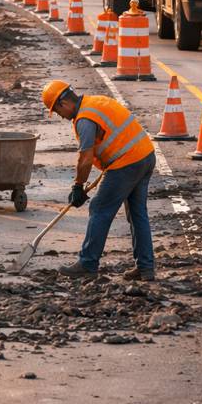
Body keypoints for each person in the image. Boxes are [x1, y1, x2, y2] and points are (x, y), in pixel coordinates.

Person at [41, 80, 157, 280]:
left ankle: (87, 263)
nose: (61, 116)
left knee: (99, 209)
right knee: (138, 214)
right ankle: (146, 267)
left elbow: (85, 159)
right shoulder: (95, 102)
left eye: (58, 112)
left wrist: (78, 186)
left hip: (127, 163)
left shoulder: (84, 119)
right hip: (145, 156)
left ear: (63, 104)